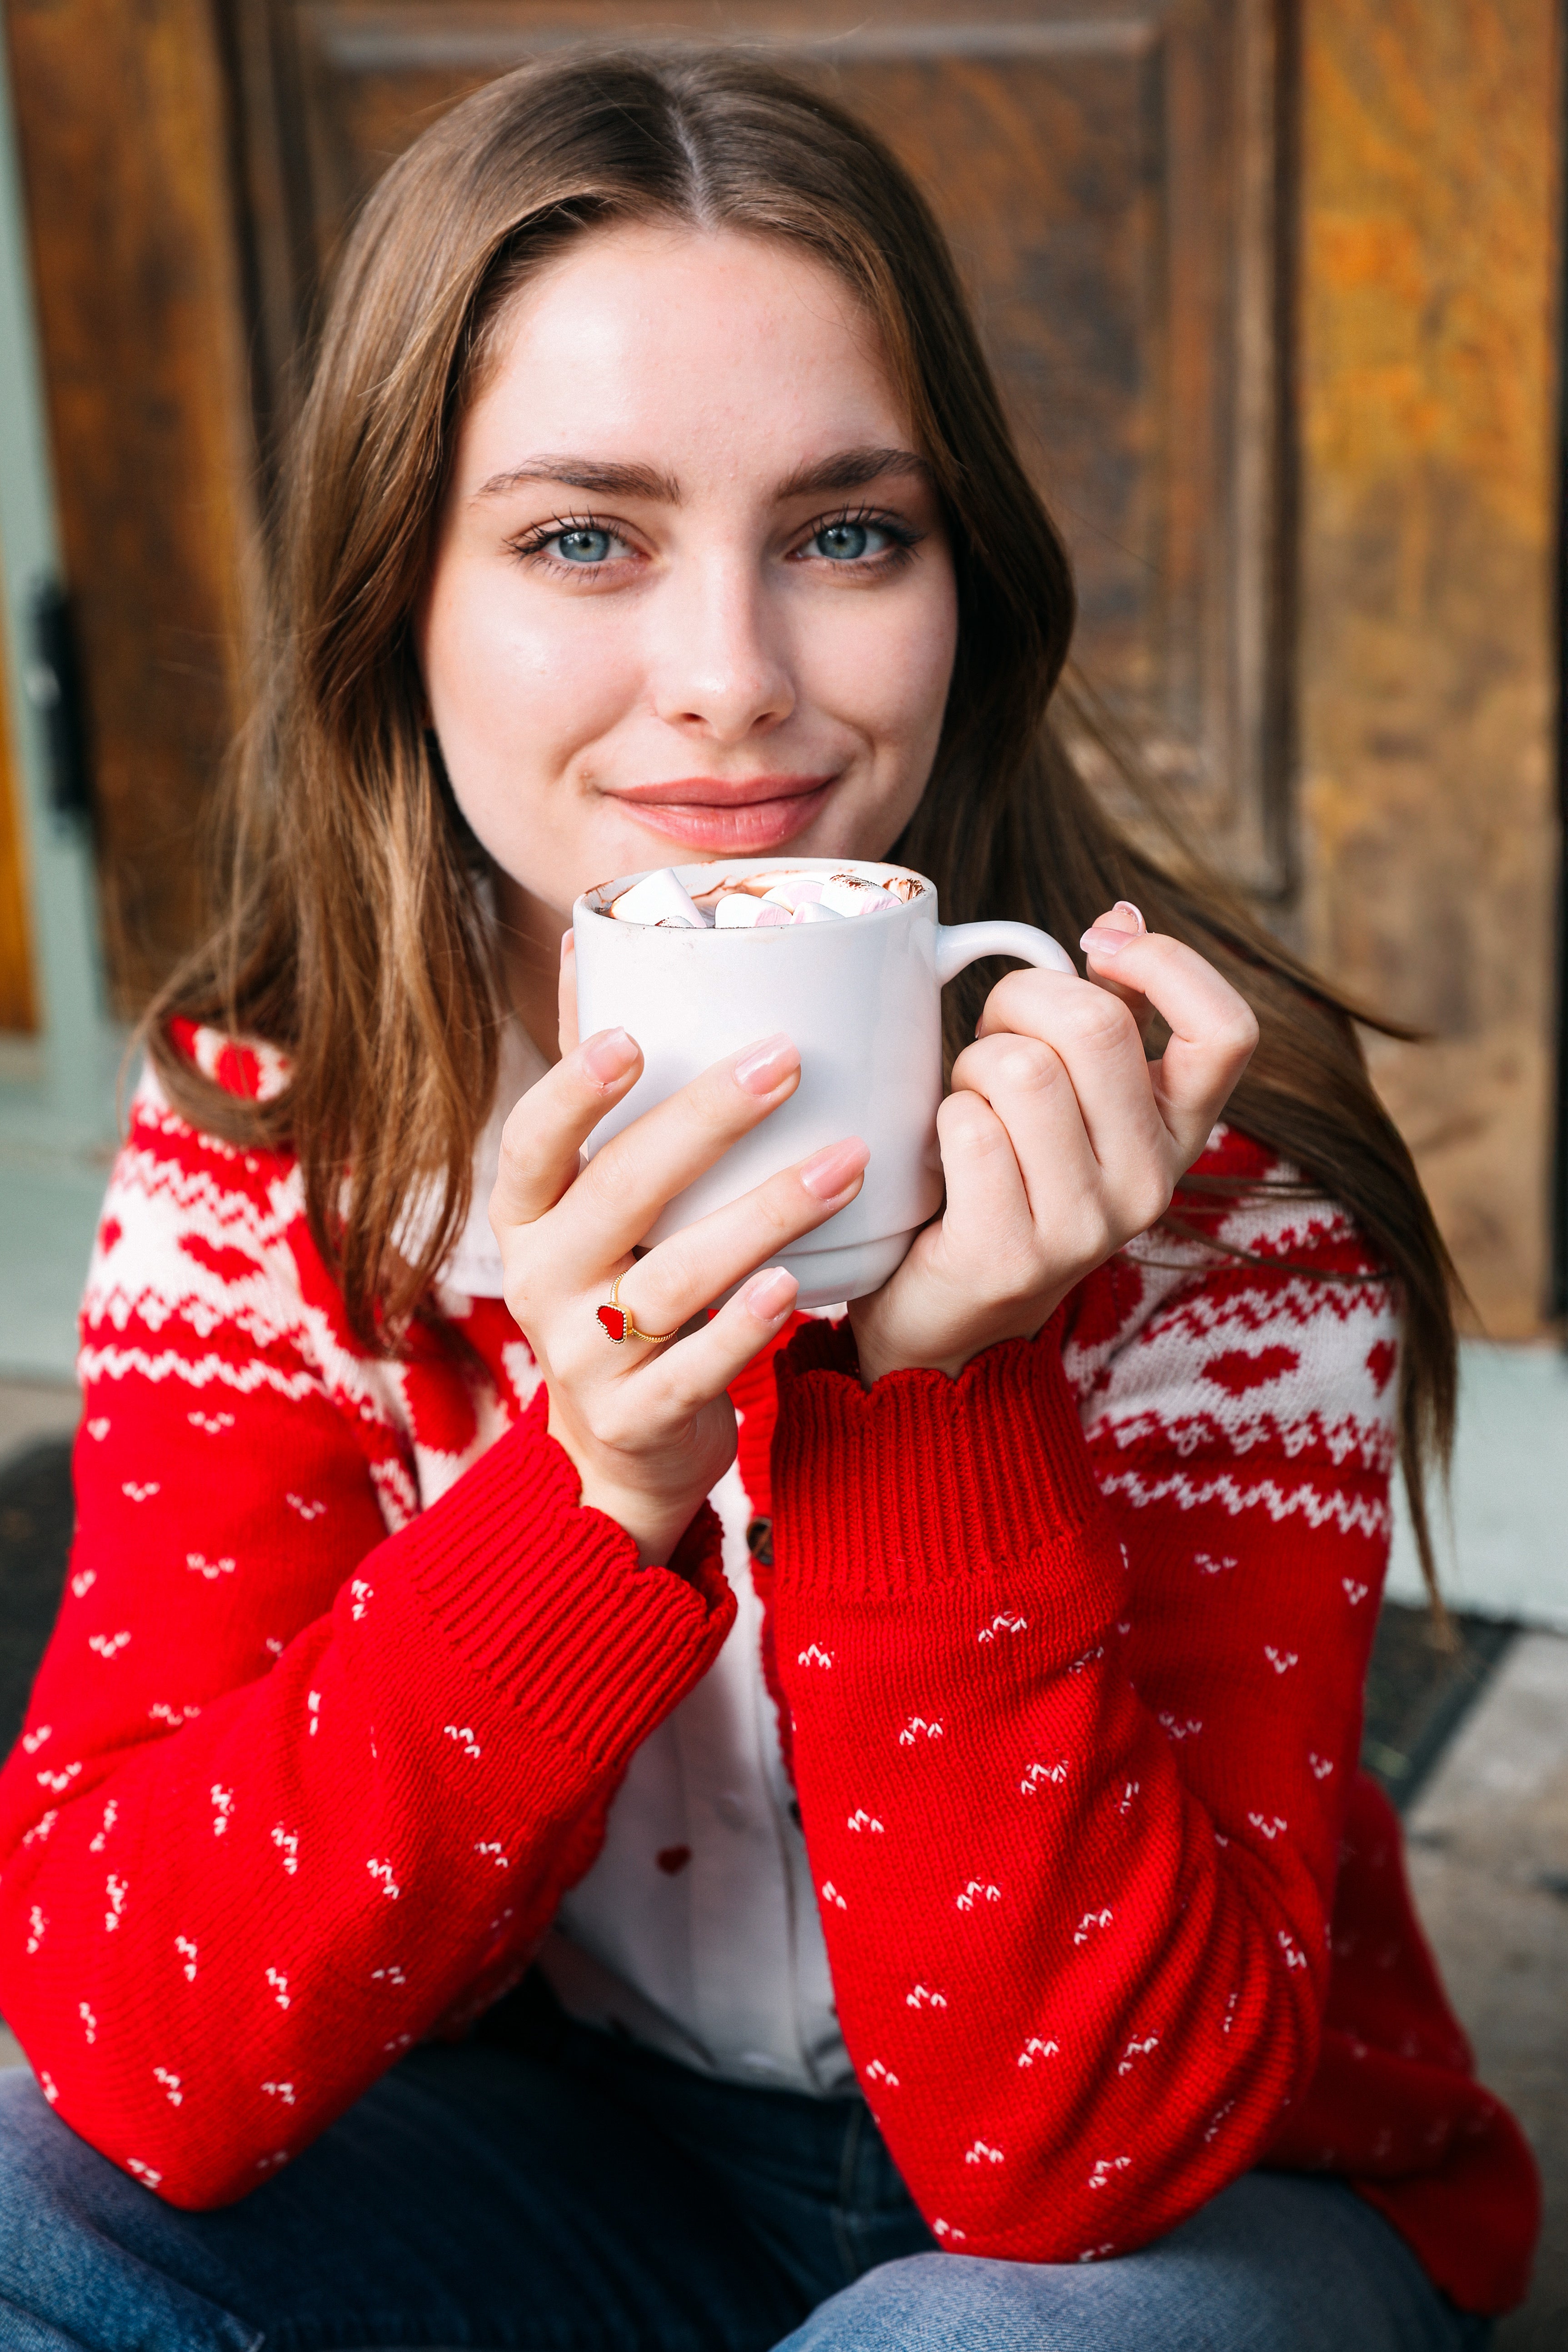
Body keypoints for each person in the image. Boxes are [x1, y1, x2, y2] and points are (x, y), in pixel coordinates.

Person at [0, 47, 1537, 2352]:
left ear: (960, 588)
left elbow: (1088, 2161)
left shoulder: (1209, 1188)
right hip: (574, 2140)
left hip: (1184, 2217)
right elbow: (137, 2022)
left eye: (843, 533)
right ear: (393, 600)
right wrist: (598, 1477)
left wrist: (929, 1392)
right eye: (580, 536)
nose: (730, 686)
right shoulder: (277, 1149)